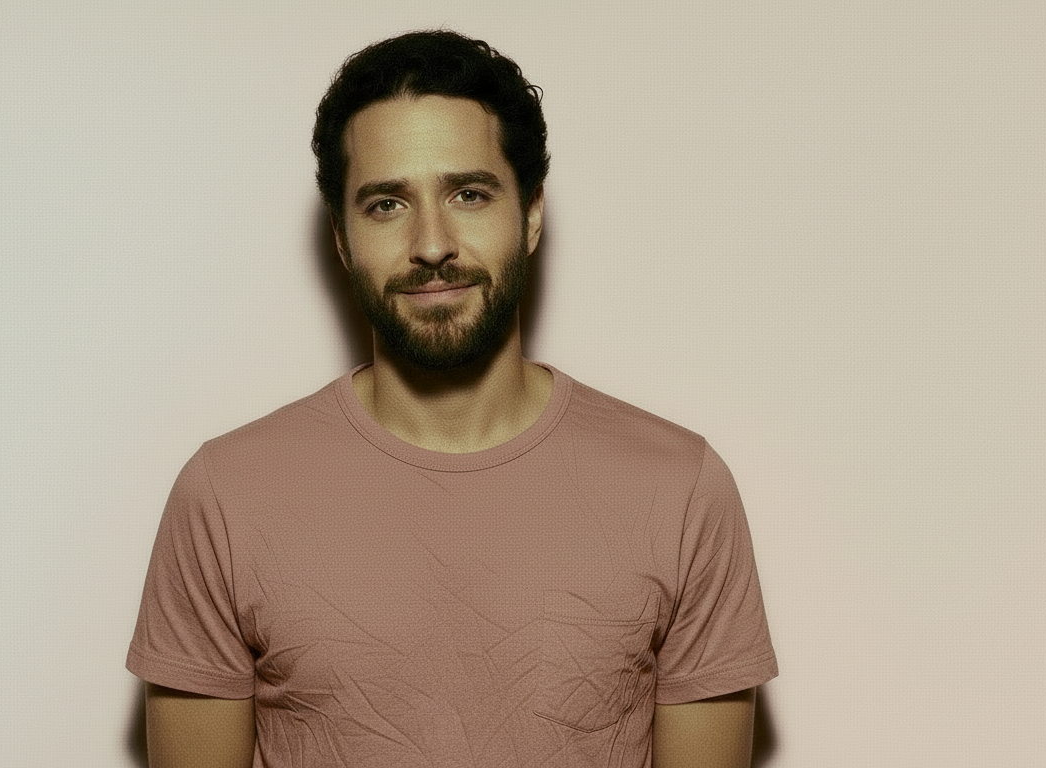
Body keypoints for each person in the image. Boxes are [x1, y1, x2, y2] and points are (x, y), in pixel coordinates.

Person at [127, 30, 777, 768]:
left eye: (469, 194)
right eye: (386, 204)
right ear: (341, 238)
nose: (432, 243)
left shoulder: (680, 488)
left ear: (531, 215)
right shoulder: (225, 495)